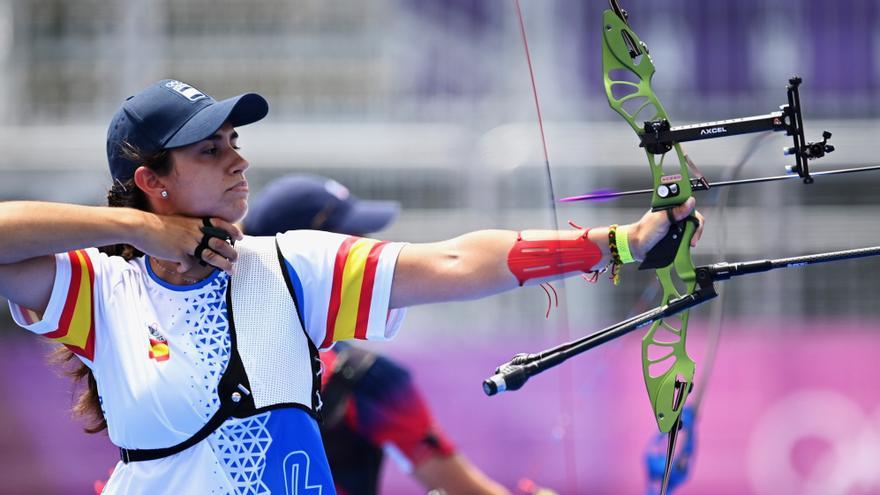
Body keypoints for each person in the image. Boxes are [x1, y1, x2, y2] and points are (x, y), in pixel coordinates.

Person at [0, 79, 703, 494]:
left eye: (237, 143)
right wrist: (150, 234)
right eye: (209, 149)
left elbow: (460, 260)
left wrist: (620, 242)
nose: (238, 160)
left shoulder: (289, 265)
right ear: (153, 181)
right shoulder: (102, 288)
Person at [246, 174, 513, 495]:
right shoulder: (366, 378)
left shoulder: (193, 348)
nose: (375, 256)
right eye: (355, 247)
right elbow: (465, 491)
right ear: (315, 261)